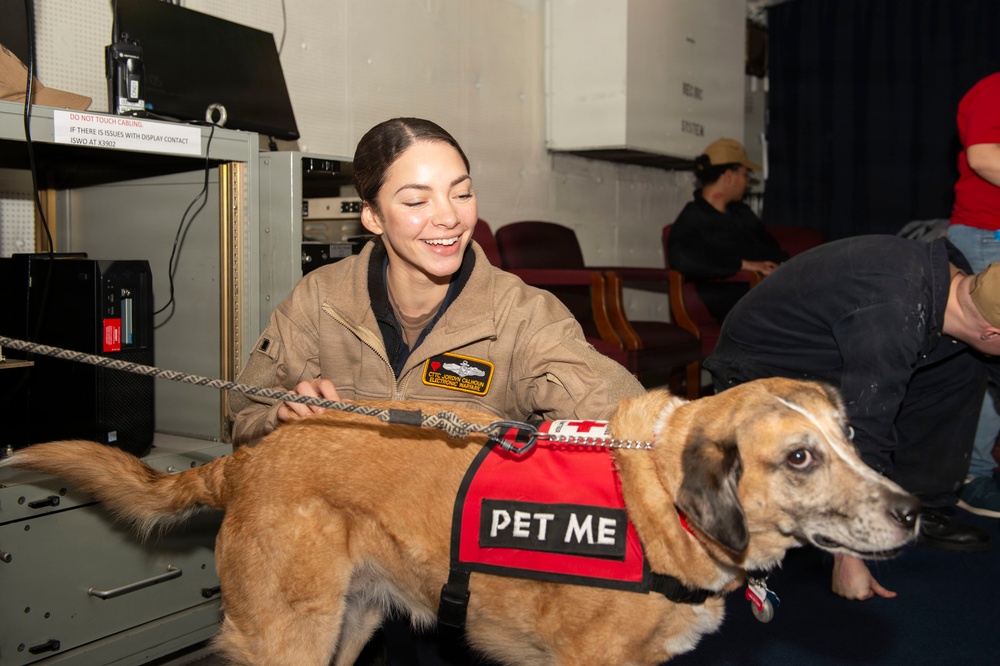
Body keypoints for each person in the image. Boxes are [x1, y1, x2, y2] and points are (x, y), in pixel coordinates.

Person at [227, 117, 645, 663]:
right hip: (342, 538)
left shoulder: (522, 314)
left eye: (461, 193)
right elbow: (243, 417)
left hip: (464, 569)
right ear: (372, 216)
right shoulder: (320, 299)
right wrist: (282, 418)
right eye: (416, 200)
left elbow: (631, 422)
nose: (448, 217)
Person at [705, 234, 997, 601]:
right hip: (760, 364)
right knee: (872, 406)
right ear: (991, 331)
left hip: (832, 348)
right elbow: (866, 423)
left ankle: (923, 504)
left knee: (964, 363)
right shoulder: (894, 313)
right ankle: (850, 522)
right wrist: (851, 551)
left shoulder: (961, 284)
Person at [946, 72, 1000, 518]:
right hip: (988, 236)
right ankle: (970, 475)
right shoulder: (994, 88)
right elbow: (983, 156)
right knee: (982, 358)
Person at [667, 137, 789, 322]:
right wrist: (745, 265)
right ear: (728, 176)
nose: (747, 182)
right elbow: (684, 259)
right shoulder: (693, 217)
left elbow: (771, 249)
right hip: (730, 301)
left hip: (766, 294)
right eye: (745, 174)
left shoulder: (741, 213)